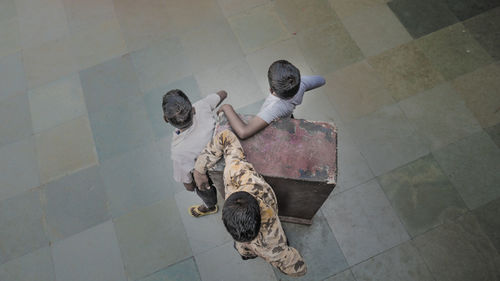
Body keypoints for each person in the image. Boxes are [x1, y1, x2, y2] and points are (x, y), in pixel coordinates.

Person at [193, 129, 307, 276]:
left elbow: (300, 269)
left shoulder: (272, 245)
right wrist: (199, 170)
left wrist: (277, 256)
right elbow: (225, 136)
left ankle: (247, 254)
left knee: (242, 251)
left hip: (267, 246)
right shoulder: (239, 172)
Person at [217, 60, 325, 139]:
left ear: (271, 90)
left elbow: (243, 132)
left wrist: (227, 107)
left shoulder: (274, 108)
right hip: (287, 116)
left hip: (275, 126)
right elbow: (321, 80)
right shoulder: (301, 84)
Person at [162, 89, 227, 217]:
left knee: (201, 186)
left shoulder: (178, 151)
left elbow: (188, 185)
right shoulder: (201, 106)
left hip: (210, 171)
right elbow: (223, 94)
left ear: (165, 119)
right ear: (193, 110)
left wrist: (192, 185)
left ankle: (210, 206)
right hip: (224, 150)